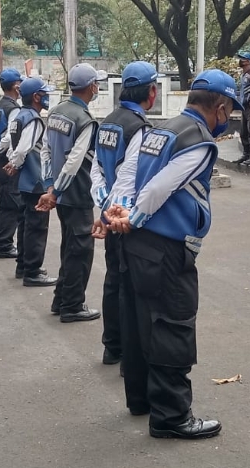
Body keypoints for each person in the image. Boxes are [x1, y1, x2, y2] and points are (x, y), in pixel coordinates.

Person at [103, 69, 243, 440]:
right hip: (164, 248)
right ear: (222, 106)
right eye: (229, 111)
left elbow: (128, 176)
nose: (227, 120)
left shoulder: (162, 129)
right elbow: (159, 188)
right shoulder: (199, 141)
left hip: (136, 247)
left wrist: (116, 209)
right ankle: (172, 416)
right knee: (172, 326)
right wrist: (132, 217)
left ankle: (141, 400)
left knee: (137, 322)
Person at [90, 61, 156, 367]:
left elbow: (97, 172)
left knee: (112, 280)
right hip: (125, 219)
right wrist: (114, 217)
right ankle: (128, 353)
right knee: (129, 288)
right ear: (152, 92)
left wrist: (103, 210)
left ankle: (112, 346)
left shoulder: (108, 122)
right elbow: (129, 180)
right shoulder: (139, 129)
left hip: (109, 212)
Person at [37, 63, 107, 323]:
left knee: (69, 246)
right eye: (97, 83)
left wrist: (50, 186)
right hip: (75, 195)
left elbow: (45, 150)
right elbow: (75, 162)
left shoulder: (55, 112)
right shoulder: (86, 121)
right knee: (80, 251)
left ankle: (61, 299)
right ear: (91, 87)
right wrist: (57, 191)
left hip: (59, 192)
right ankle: (72, 305)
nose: (98, 87)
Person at [4, 76, 57, 286]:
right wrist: (15, 163)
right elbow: (24, 147)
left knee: (25, 222)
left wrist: (13, 162)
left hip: (25, 179)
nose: (47, 98)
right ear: (36, 97)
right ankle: (32, 271)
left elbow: (11, 143)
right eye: (44, 94)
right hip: (35, 179)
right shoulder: (33, 119)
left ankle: (23, 265)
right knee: (36, 226)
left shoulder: (21, 116)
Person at [0, 68, 23, 258]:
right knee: (10, 204)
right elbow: (10, 135)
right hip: (8, 160)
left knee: (1, 202)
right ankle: (4, 244)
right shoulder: (13, 109)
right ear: (16, 86)